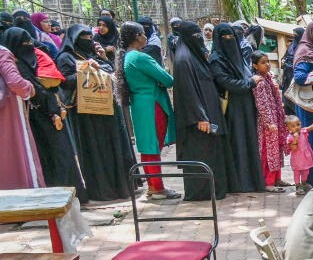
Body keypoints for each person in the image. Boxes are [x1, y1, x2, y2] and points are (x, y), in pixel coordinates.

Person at [0, 28, 87, 203]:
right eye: (23, 44)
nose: (28, 46)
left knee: (61, 155)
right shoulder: (12, 64)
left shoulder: (35, 59)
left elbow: (51, 83)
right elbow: (24, 87)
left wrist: (53, 107)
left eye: (29, 42)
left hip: (49, 115)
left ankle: (70, 197)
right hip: (30, 119)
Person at [56, 23, 135, 202]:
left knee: (113, 147)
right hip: (86, 116)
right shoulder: (65, 58)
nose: (88, 40)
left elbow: (112, 73)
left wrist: (102, 58)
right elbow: (64, 81)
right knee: (96, 152)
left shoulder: (93, 54)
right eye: (83, 37)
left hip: (107, 111)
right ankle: (101, 190)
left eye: (89, 37)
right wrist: (84, 69)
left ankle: (120, 187)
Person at [171, 21, 237, 201]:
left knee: (212, 154)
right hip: (199, 121)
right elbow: (187, 92)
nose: (199, 38)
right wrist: (199, 116)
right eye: (195, 35)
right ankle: (202, 193)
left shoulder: (193, 55)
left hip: (208, 113)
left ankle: (214, 190)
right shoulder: (183, 59)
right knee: (201, 154)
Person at [116, 21, 179, 200]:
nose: (146, 37)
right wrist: (159, 80)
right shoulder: (140, 57)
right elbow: (167, 79)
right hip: (152, 105)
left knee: (147, 146)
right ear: (136, 37)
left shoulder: (126, 57)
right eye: (143, 34)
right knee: (153, 147)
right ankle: (158, 188)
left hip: (139, 105)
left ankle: (152, 186)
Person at [207, 23, 264, 193]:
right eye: (225, 37)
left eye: (231, 36)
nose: (229, 40)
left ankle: (251, 180)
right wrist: (250, 82)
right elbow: (225, 82)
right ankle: (239, 182)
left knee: (248, 142)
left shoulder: (237, 54)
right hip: (231, 109)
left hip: (245, 106)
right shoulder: (216, 59)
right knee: (237, 143)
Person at [0, 40, 43, 190]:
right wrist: (30, 88)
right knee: (14, 155)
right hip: (7, 113)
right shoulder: (2, 53)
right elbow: (15, 82)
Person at [250, 51, 290, 192]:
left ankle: (277, 178)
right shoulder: (259, 81)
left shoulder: (269, 78)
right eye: (263, 62)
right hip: (267, 122)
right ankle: (268, 182)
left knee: (277, 149)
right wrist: (269, 122)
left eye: (268, 61)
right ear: (255, 65)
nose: (267, 64)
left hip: (276, 118)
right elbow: (262, 104)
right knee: (268, 151)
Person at [290, 21, 313, 174]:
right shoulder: (304, 50)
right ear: (310, 35)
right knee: (310, 139)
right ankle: (309, 177)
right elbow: (298, 77)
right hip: (307, 104)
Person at [285, 114, 313, 188]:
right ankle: (297, 186)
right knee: (297, 173)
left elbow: (312, 127)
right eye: (293, 126)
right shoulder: (290, 137)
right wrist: (295, 139)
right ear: (288, 128)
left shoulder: (303, 131)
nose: (296, 127)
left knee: (306, 172)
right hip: (297, 159)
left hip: (305, 158)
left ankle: (304, 183)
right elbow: (293, 149)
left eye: (298, 124)